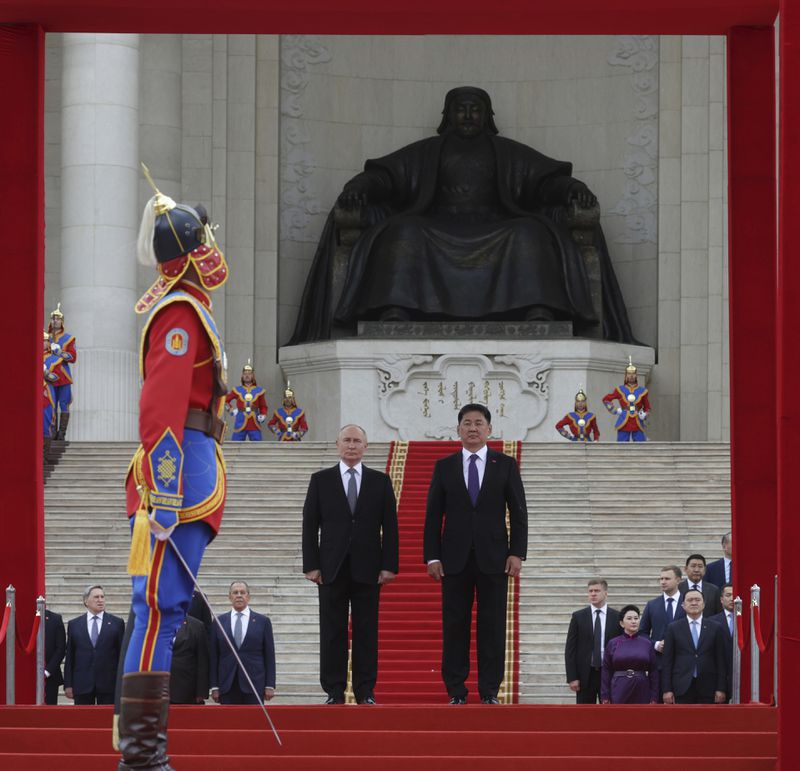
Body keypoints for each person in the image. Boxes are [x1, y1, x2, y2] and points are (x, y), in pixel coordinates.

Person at [290, 85, 638, 344]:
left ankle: (537, 309)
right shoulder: (427, 152)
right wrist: (358, 188)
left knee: (528, 233)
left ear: (487, 116)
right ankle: (396, 308)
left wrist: (571, 190)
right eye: (461, 109)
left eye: (475, 109)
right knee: (404, 233)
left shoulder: (506, 152)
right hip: (435, 224)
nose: (469, 115)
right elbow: (385, 176)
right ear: (447, 115)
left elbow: (546, 182)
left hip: (496, 224)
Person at [117, 171, 230, 769]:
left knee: (164, 608)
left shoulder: (188, 308)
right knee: (159, 609)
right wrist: (162, 499)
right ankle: (140, 754)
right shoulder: (182, 314)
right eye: (206, 239)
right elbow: (159, 408)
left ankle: (143, 748)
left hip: (191, 462)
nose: (214, 248)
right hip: (177, 475)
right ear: (189, 253)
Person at [423, 404, 528, 704]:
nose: (472, 428)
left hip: (494, 559)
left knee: (493, 626)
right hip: (453, 560)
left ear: (489, 429)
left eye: (478, 423)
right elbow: (433, 516)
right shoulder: (444, 466)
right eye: (466, 423)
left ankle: (489, 691)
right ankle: (456, 691)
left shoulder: (505, 465)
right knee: (455, 626)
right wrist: (432, 556)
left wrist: (517, 553)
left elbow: (519, 513)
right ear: (458, 430)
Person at [302, 425, 399, 704]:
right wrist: (312, 564)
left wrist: (388, 565)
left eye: (357, 441)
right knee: (332, 631)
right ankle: (334, 691)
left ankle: (365, 690)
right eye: (347, 440)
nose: (352, 445)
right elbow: (310, 525)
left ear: (366, 446)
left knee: (366, 631)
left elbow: (390, 527)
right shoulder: (321, 480)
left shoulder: (380, 482)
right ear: (337, 444)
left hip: (369, 568)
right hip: (331, 568)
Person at [210, 581, 276, 705]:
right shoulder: (218, 622)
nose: (239, 595)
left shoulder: (263, 621)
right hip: (227, 683)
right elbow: (214, 656)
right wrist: (214, 686)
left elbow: (269, 655)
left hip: (254, 683)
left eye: (242, 592)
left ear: (248, 597)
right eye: (235, 593)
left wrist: (270, 685)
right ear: (229, 597)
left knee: (253, 722)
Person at [661, 588, 727, 704]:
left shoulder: (715, 627)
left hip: (708, 686)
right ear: (683, 605)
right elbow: (667, 661)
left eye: (697, 600)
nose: (694, 603)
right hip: (681, 686)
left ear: (704, 604)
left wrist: (721, 688)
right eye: (690, 600)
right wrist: (667, 689)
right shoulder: (674, 628)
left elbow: (721, 660)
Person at [63, 585, 125, 705]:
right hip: (82, 683)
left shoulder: (117, 623)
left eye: (102, 597)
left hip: (109, 684)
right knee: (83, 721)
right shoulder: (74, 624)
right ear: (86, 601)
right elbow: (70, 656)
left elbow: (121, 655)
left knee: (107, 720)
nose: (100, 600)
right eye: (96, 597)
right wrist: (68, 684)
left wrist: (122, 682)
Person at [564, 578, 620, 703]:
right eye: (590, 591)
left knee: (609, 714)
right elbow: (570, 649)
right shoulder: (578, 616)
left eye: (597, 591)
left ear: (606, 593)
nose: (593, 594)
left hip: (609, 674)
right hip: (585, 675)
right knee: (584, 716)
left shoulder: (617, 617)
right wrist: (572, 677)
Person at [638, 565, 687, 699]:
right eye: (661, 579)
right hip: (659, 664)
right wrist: (655, 644)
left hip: (683, 664)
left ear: (678, 580)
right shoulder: (652, 605)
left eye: (667, 578)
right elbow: (642, 633)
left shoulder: (688, 602)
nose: (663, 582)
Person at [600, 604, 659, 704]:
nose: (633, 621)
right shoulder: (613, 643)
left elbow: (653, 671)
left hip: (642, 688)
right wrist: (605, 694)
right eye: (629, 618)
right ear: (622, 623)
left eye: (636, 618)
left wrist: (654, 696)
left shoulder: (647, 643)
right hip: (618, 687)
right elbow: (606, 670)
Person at [46, 303, 77, 440]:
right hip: (48, 376)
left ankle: (61, 433)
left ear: (62, 321)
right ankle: (51, 432)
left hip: (63, 376)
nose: (55, 321)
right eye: (53, 318)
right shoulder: (46, 338)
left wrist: (59, 352)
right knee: (51, 404)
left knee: (63, 403)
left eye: (58, 319)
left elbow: (72, 357)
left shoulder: (69, 338)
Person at [602, 357, 650, 442]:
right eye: (629, 374)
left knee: (640, 444)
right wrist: (615, 411)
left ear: (636, 375)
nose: (631, 376)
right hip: (624, 418)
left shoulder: (643, 391)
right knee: (622, 444)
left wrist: (644, 415)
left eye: (633, 374)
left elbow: (647, 407)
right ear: (626, 376)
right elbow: (606, 399)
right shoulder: (620, 389)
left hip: (637, 420)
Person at [169, 614, 210, 704]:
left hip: (186, 688)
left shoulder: (196, 625)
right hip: (160, 687)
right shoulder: (155, 622)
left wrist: (201, 692)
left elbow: (203, 660)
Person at [225, 360, 268, 441]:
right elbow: (225, 401)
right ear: (242, 376)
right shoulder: (237, 390)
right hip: (240, 420)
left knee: (257, 445)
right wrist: (231, 410)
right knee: (235, 444)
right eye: (245, 374)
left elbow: (263, 406)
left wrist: (263, 415)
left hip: (254, 422)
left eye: (249, 374)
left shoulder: (259, 390)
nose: (247, 375)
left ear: (253, 376)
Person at [708, 583, 734, 702]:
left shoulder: (748, 619)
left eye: (735, 595)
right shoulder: (710, 622)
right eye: (728, 595)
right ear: (721, 599)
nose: (732, 598)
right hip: (718, 678)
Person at [44, 608, 66, 705]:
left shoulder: (55, 619)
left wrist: (47, 671)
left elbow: (61, 648)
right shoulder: (21, 618)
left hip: (50, 676)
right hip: (26, 676)